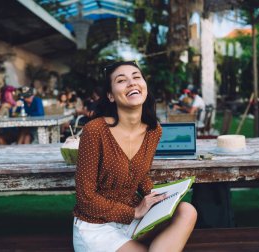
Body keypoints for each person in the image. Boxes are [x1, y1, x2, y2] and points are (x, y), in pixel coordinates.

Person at [73, 61, 197, 252]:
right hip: (97, 225)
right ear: (110, 95)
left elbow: (139, 173)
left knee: (187, 210)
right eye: (121, 80)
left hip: (134, 220)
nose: (132, 83)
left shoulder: (153, 131)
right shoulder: (95, 130)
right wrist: (134, 211)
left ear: (144, 87)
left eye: (136, 77)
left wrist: (158, 197)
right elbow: (85, 198)